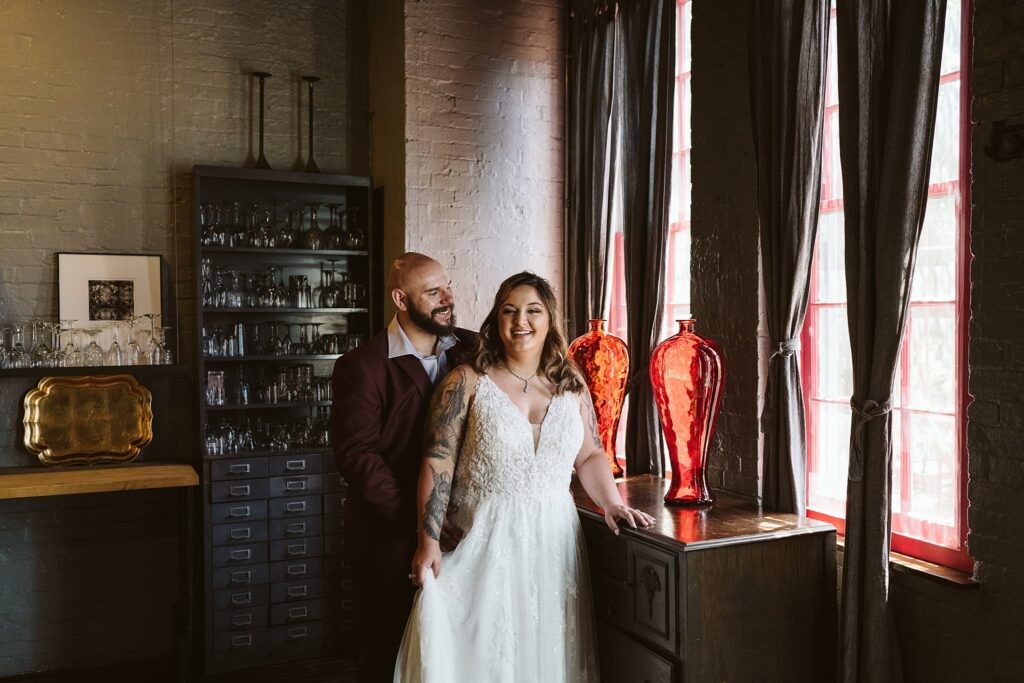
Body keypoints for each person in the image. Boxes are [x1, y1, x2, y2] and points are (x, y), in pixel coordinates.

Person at [394, 271, 655, 682]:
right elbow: (437, 461)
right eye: (509, 311)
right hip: (487, 540)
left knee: (547, 652)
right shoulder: (465, 381)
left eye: (533, 311)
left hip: (554, 541)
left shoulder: (572, 384)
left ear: (549, 318)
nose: (521, 321)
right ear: (496, 321)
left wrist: (613, 504)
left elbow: (589, 455)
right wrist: (427, 541)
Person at [332, 252, 478, 683]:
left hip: (463, 536)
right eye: (433, 292)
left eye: (447, 286)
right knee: (385, 658)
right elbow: (358, 458)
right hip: (387, 542)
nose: (447, 298)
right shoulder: (362, 366)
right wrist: (422, 524)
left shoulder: (472, 349)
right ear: (400, 298)